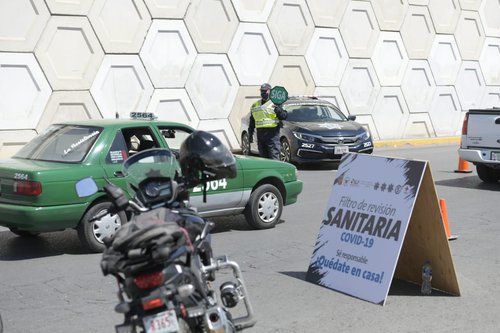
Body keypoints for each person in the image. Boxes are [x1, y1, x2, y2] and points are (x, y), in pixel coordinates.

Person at [248, 83, 287, 160]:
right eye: (262, 91)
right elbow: (252, 121)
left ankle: (276, 172)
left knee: (274, 157)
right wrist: (250, 133)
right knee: (264, 159)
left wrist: (279, 111)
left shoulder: (276, 103)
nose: (263, 93)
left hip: (272, 135)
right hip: (260, 135)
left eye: (265, 91)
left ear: (270, 91)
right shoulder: (255, 105)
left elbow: (284, 116)